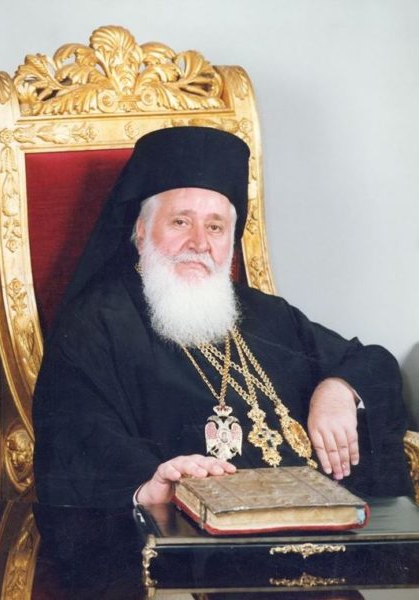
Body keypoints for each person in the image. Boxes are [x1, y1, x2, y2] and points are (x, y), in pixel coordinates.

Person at [32, 126, 412, 510]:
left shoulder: (267, 314)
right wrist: (148, 484)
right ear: (141, 231)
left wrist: (338, 390)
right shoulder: (94, 325)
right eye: (181, 222)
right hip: (197, 533)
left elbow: (372, 362)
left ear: (230, 241)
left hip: (320, 520)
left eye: (215, 227)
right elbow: (77, 434)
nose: (199, 243)